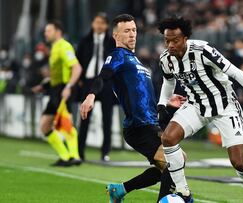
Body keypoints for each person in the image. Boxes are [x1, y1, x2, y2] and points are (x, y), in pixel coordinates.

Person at [157, 16, 243, 203]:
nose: (170, 45)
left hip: (225, 104)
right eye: (167, 40)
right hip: (196, 105)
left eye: (175, 40)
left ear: (186, 38)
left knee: (238, 162)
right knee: (168, 138)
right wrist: (162, 104)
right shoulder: (166, 60)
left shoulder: (203, 50)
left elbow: (235, 72)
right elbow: (168, 82)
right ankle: (184, 193)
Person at [80, 14, 186, 202]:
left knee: (171, 164)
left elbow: (145, 100)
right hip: (138, 127)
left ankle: (120, 190)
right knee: (173, 162)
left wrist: (167, 104)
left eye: (134, 30)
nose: (132, 34)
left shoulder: (137, 62)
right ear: (116, 36)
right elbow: (103, 76)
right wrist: (91, 95)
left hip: (151, 124)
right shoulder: (117, 55)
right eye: (127, 31)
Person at [31, 20, 82, 166]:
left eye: (48, 31)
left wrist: (68, 87)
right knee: (45, 126)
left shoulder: (64, 46)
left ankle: (74, 156)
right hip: (55, 90)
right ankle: (66, 156)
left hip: (62, 90)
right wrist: (44, 85)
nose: (45, 33)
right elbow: (57, 73)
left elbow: (77, 68)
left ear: (58, 32)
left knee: (65, 123)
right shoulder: (54, 48)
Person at [76, 12, 116, 161]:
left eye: (102, 23)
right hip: (88, 83)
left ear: (106, 25)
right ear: (92, 24)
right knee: (84, 118)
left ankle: (105, 152)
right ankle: (79, 152)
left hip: (106, 83)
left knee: (107, 120)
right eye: (96, 22)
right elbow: (77, 61)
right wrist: (80, 80)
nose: (99, 25)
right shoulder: (84, 41)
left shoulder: (112, 42)